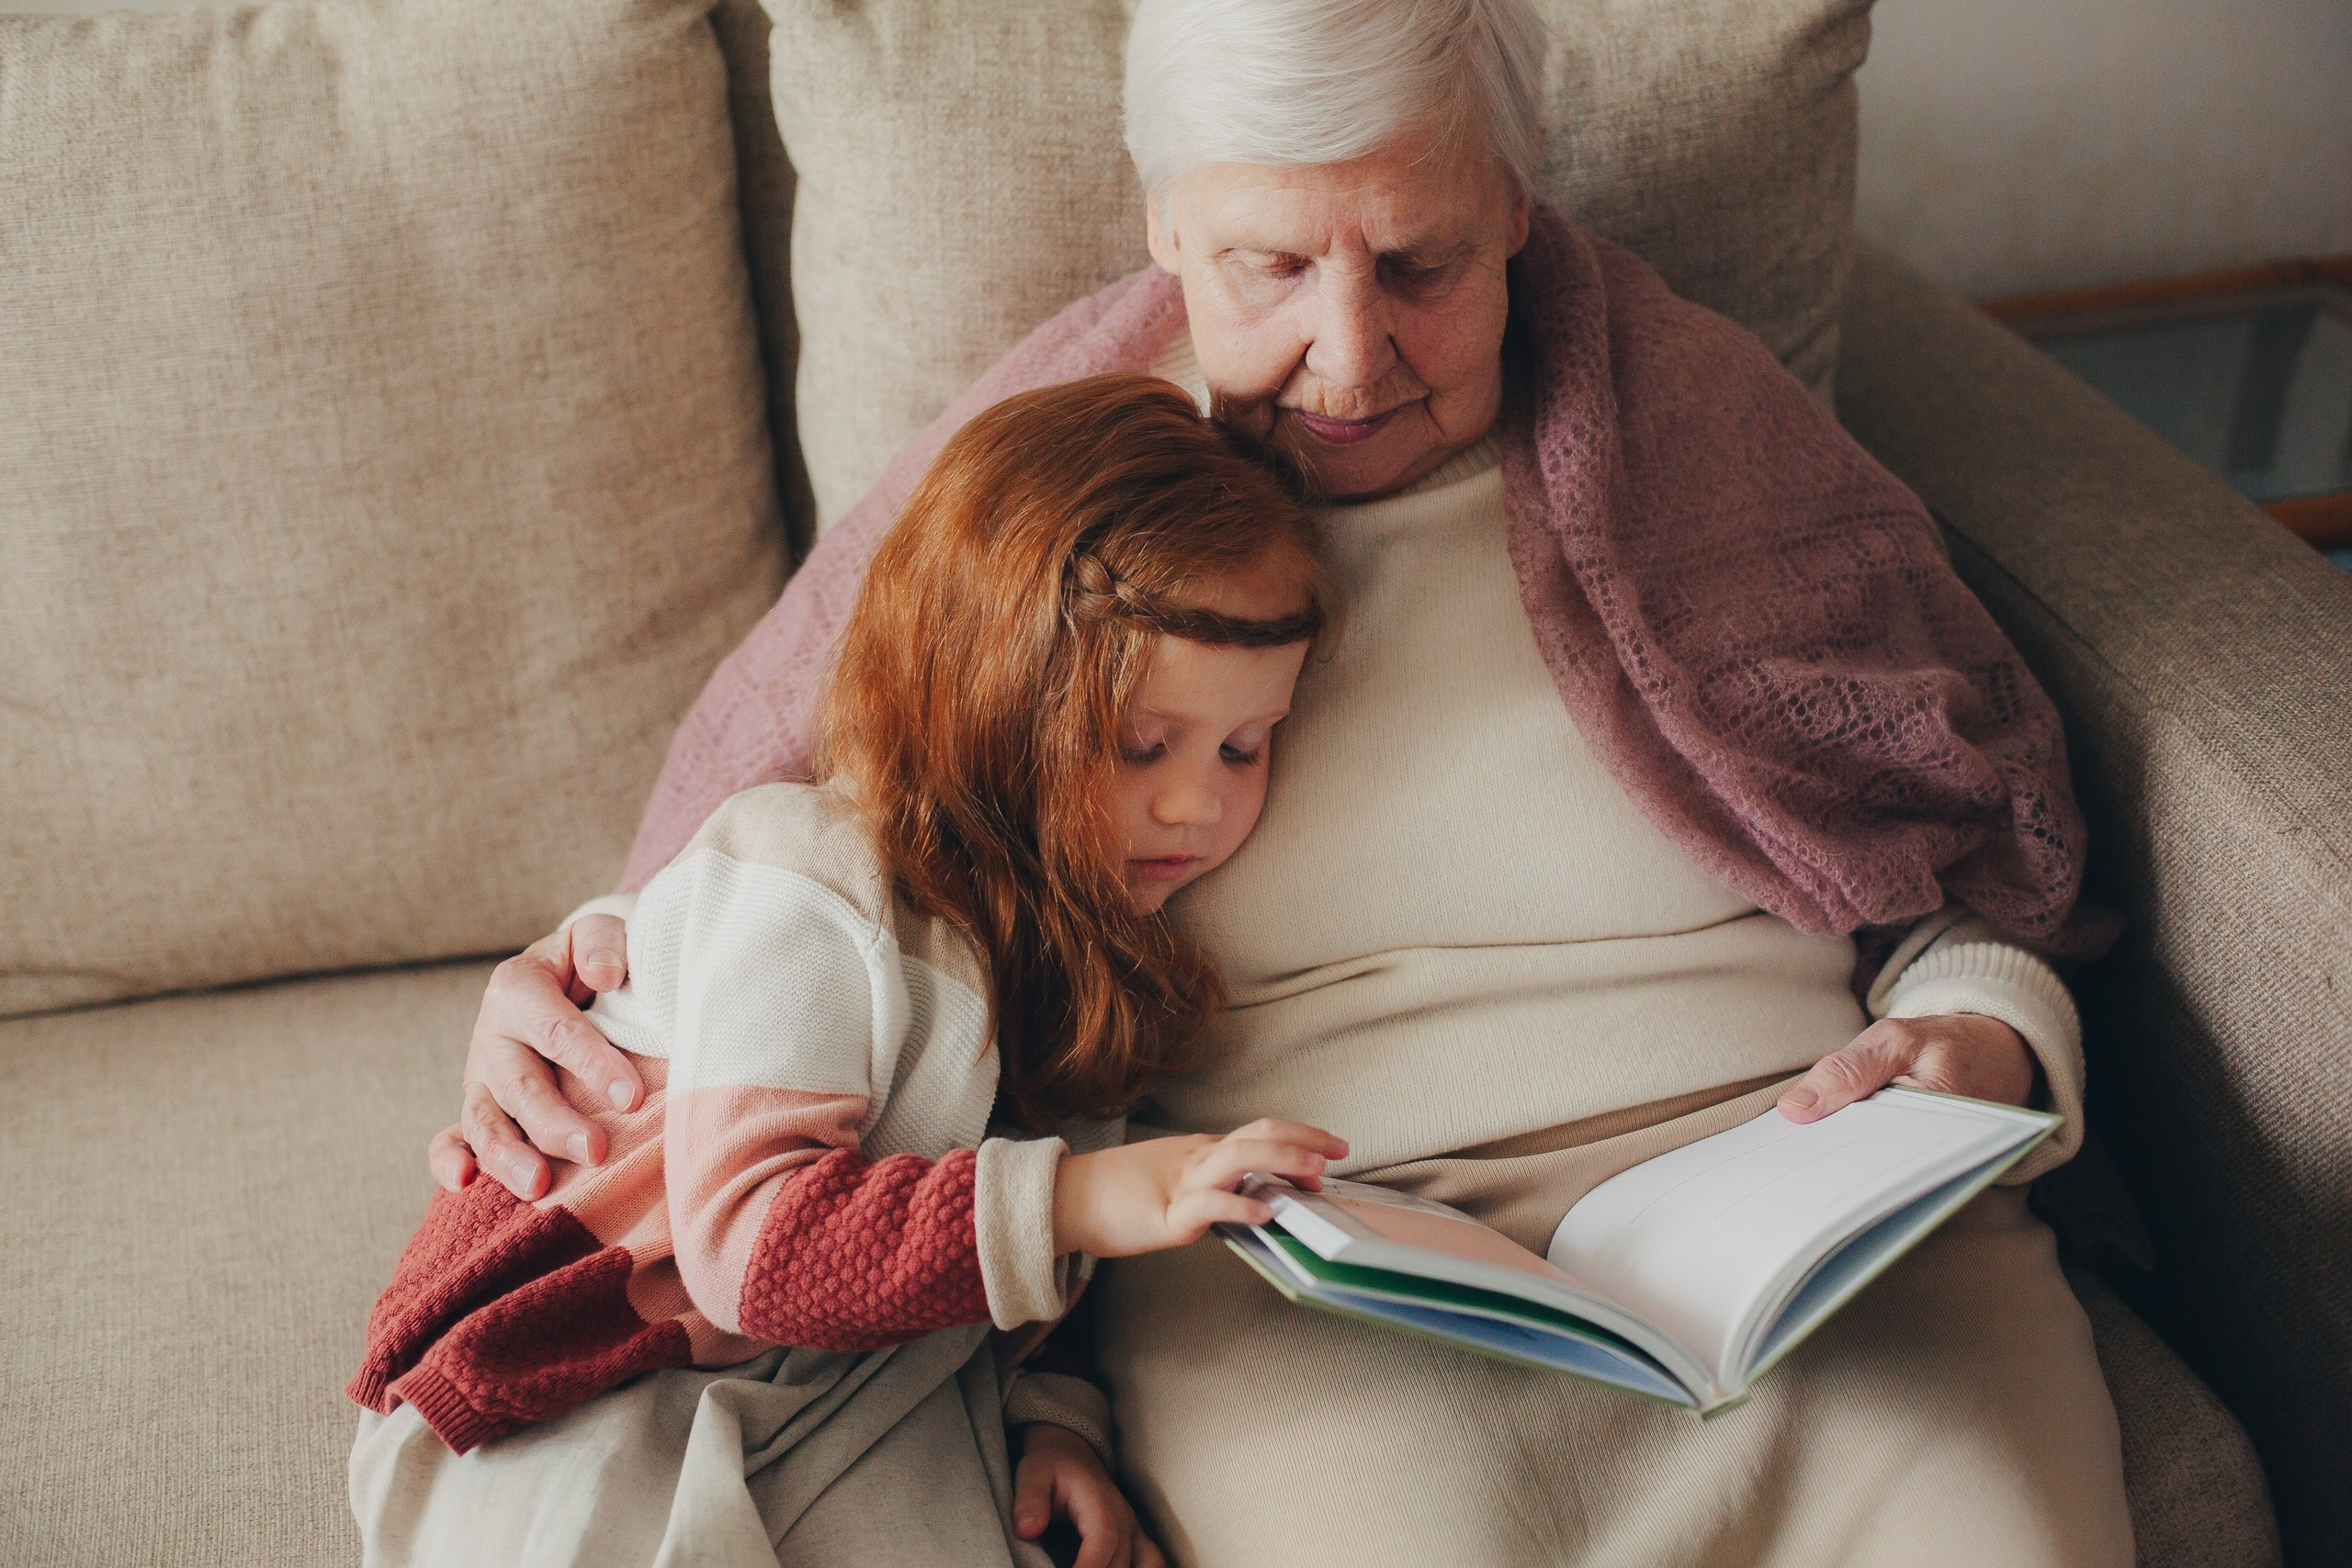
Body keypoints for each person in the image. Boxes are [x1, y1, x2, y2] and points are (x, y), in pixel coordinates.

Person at [433, 0, 2135, 1562]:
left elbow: (1985, 859)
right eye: (1267, 267)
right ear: (1165, 227)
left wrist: (1982, 1038)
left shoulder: (1707, 437)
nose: (1347, 357)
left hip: (1804, 1195)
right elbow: (827, 843)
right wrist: (603, 972)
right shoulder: (1044, 513)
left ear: (1518, 206)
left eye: (1418, 264)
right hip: (1318, 1264)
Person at [349, 375, 1345, 1567]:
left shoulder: (1090, 968)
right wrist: (1101, 1200)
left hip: (853, 1384)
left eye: (1244, 746)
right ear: (983, 692)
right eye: (1138, 743)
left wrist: (1054, 1424)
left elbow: (1041, 1281)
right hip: (584, 1384)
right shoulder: (816, 882)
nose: (1196, 801)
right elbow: (752, 1245)